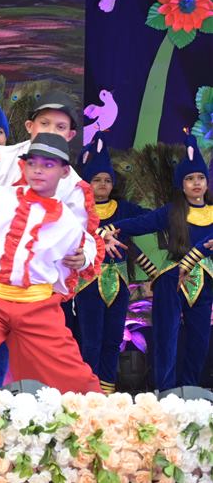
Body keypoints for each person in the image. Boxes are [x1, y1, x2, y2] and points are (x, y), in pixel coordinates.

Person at [0, 133, 101, 395]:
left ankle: (98, 417)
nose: (38, 170)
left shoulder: (67, 220)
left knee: (75, 375)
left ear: (65, 172)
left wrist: (85, 256)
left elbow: (86, 245)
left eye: (48, 165)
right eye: (32, 163)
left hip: (37, 306)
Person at [105, 131, 213, 390]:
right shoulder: (171, 212)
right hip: (172, 279)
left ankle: (192, 391)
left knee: (200, 338)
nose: (196, 183)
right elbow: (139, 223)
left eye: (200, 178)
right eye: (189, 179)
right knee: (166, 338)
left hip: (205, 281)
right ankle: (166, 391)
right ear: (181, 185)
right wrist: (108, 229)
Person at [71, 136, 146, 393]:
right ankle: (87, 389)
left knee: (113, 339)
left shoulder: (124, 209)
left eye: (107, 180)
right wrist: (99, 235)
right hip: (88, 283)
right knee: (90, 340)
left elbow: (149, 220)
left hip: (119, 282)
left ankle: (107, 391)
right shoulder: (77, 210)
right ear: (87, 183)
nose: (103, 184)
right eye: (97, 180)